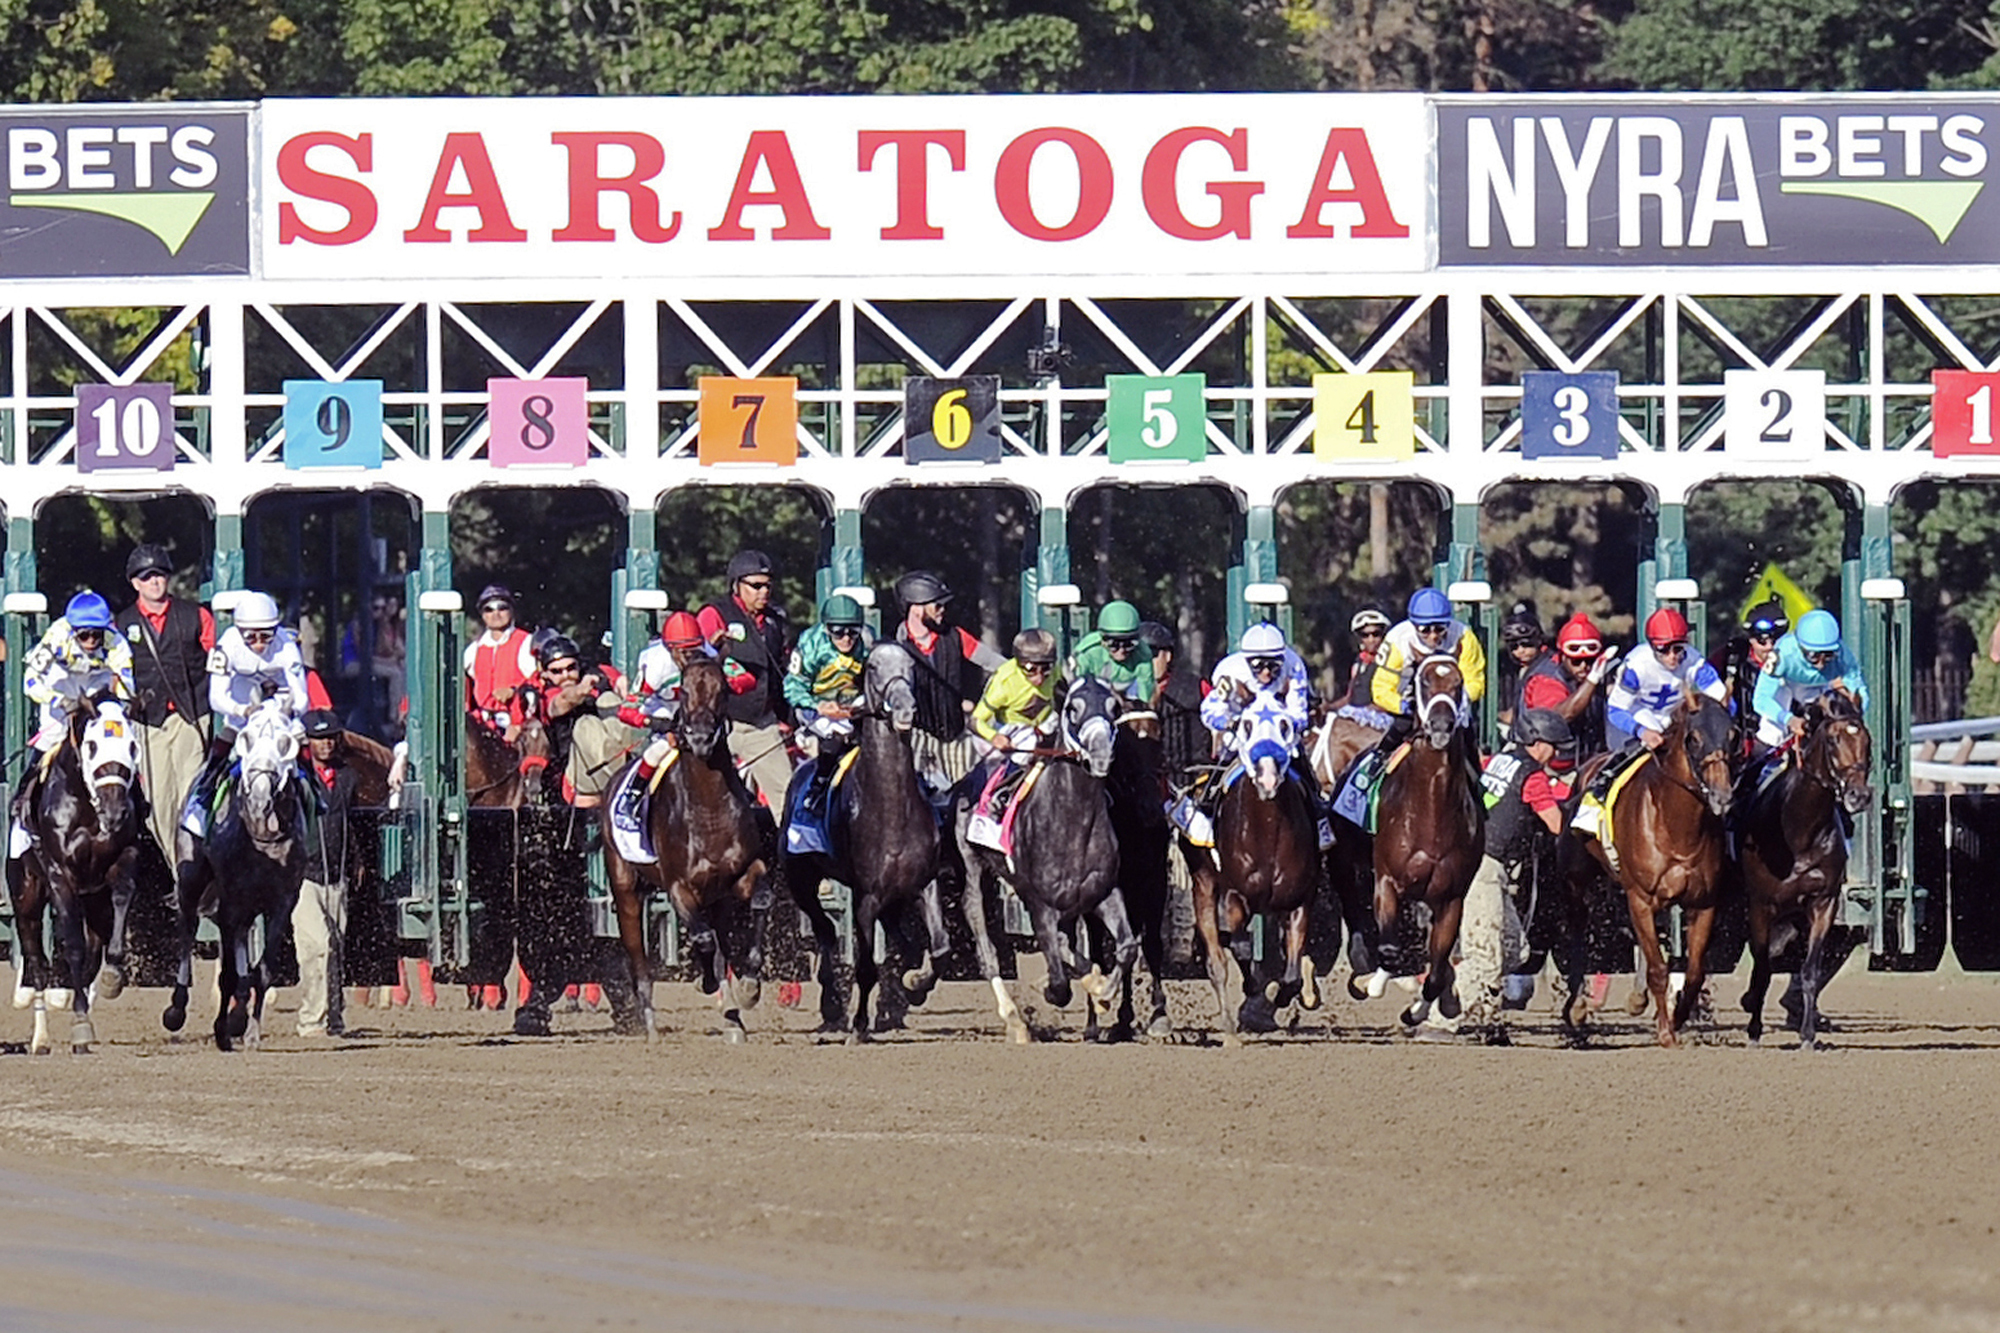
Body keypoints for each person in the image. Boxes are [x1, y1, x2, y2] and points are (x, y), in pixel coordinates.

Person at [1458, 708, 1578, 1032]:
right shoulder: (1533, 776)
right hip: (1486, 867)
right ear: (1537, 742)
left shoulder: (1501, 759)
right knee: (1487, 956)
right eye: (1553, 746)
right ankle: (1448, 1017)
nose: (1555, 754)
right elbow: (1556, 825)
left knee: (1516, 948)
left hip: (1483, 863)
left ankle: (1457, 994)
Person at [12, 591, 137, 855]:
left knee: (115, 739)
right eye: (84, 635)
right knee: (52, 738)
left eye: (97, 634)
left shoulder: (116, 642)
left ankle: (138, 803)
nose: (92, 641)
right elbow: (31, 682)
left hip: (96, 686)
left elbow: (126, 686)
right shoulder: (56, 638)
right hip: (61, 685)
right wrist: (63, 702)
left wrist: (123, 706)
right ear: (72, 631)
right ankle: (23, 801)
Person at [183, 591, 312, 842]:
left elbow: (303, 698)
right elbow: (217, 697)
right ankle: (201, 801)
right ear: (239, 631)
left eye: (266, 635)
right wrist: (242, 711)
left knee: (301, 743)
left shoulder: (286, 645)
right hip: (243, 708)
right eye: (251, 636)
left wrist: (283, 711)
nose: (259, 643)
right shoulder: (227, 645)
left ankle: (315, 801)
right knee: (223, 746)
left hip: (280, 710)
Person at [115, 544, 215, 864]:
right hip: (148, 722)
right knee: (158, 806)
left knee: (191, 797)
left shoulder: (196, 615)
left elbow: (217, 659)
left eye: (159, 574)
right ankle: (181, 871)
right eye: (146, 576)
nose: (154, 582)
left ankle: (195, 872)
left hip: (190, 715)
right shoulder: (121, 624)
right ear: (135, 583)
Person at [698, 550, 794, 812]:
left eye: (768, 586)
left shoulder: (775, 620)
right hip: (720, 724)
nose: (764, 592)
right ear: (736, 585)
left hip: (761, 725)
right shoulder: (713, 613)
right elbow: (696, 667)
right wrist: (713, 649)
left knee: (787, 797)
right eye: (756, 586)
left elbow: (783, 670)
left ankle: (791, 851)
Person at [894, 570, 1005, 794]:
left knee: (973, 792)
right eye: (937, 606)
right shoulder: (894, 649)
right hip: (915, 738)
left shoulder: (955, 636)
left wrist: (1020, 672)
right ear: (916, 608)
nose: (943, 611)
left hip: (955, 735)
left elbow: (993, 662)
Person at [610, 611, 717, 836]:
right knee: (659, 750)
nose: (691, 658)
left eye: (694, 650)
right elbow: (626, 710)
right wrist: (654, 723)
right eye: (684, 653)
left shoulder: (707, 652)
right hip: (664, 713)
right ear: (670, 650)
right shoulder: (656, 665)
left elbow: (745, 679)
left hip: (697, 715)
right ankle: (632, 798)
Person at [782, 594, 871, 852]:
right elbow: (792, 687)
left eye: (852, 631)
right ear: (825, 628)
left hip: (853, 706)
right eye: (838, 632)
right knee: (834, 740)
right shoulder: (810, 645)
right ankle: (817, 791)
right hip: (814, 708)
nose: (846, 638)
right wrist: (819, 706)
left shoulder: (866, 643)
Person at [294, 709, 361, 1039]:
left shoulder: (348, 777)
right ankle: (311, 1021)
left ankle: (334, 1018)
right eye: (319, 738)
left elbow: (353, 822)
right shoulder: (296, 777)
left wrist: (357, 860)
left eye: (331, 737)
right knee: (317, 946)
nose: (326, 744)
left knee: (335, 948)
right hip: (303, 875)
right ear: (306, 741)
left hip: (338, 873)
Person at [964, 628, 1062, 847]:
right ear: (1019, 663)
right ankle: (1001, 796)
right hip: (1010, 732)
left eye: (1045, 668)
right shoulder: (1004, 681)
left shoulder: (1055, 673)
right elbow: (975, 720)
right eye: (1030, 669)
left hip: (1046, 726)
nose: (1038, 677)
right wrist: (995, 737)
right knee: (1026, 740)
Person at [1750, 608, 1869, 755]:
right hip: (1784, 685)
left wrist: (1852, 714)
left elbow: (1860, 693)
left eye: (1828, 655)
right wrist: (1789, 719)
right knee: (1773, 733)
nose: (1821, 664)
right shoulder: (1782, 655)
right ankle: (1754, 770)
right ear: (1800, 647)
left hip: (1819, 688)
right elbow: (1761, 699)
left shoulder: (1843, 656)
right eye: (1813, 656)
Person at [1370, 586, 1488, 730]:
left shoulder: (1464, 637)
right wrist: (1402, 705)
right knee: (1399, 730)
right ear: (1413, 625)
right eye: (1425, 630)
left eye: (1439, 628)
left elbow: (1474, 680)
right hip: (1408, 704)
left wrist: (1456, 701)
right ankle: (1380, 753)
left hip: (1452, 707)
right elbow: (1382, 688)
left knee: (1468, 734)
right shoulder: (1397, 640)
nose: (1433, 636)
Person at [535, 633, 631, 809]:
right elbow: (562, 702)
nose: (566, 675)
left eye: (571, 668)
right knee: (586, 723)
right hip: (575, 775)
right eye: (557, 671)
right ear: (546, 674)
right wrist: (581, 690)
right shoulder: (547, 695)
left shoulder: (598, 673)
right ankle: (621, 778)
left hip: (615, 757)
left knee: (608, 699)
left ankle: (627, 770)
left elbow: (621, 682)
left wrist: (623, 686)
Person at [1200, 622, 1312, 761]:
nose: (1266, 672)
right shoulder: (1229, 672)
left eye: (1274, 666)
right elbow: (1209, 712)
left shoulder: (1294, 666)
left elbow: (1299, 714)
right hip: (1241, 737)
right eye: (1258, 665)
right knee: (1221, 763)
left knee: (1305, 767)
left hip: (1281, 738)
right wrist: (1230, 723)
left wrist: (1285, 723)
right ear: (1247, 661)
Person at [1512, 612, 1618, 757]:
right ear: (1562, 656)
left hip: (1589, 759)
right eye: (1576, 661)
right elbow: (1559, 717)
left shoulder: (1601, 674)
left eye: (1589, 661)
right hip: (1550, 765)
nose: (1583, 667)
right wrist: (1592, 679)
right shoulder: (1545, 679)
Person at [463, 584, 536, 743]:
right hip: (481, 724)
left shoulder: (525, 642)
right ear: (482, 615)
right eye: (489, 609)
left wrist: (513, 691)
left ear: (511, 611)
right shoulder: (474, 649)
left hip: (518, 723)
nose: (496, 614)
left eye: (502, 608)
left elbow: (536, 681)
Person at [1714, 599, 1787, 734]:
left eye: (1776, 639)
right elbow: (1702, 677)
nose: (1770, 646)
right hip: (1741, 738)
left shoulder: (1793, 658)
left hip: (1785, 739)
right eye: (1762, 641)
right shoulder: (1732, 656)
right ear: (1751, 639)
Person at [1069, 600, 1155, 704]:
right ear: (1103, 641)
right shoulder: (1089, 653)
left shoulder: (1143, 655)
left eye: (1129, 644)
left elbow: (1145, 697)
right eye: (1113, 644)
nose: (1121, 651)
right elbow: (1076, 687)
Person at [1334, 606, 1394, 726]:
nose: (1371, 639)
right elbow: (1349, 697)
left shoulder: (1390, 663)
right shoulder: (1359, 662)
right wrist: (1328, 707)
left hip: (1379, 719)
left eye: (1376, 634)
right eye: (1365, 635)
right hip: (1354, 716)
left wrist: (1368, 710)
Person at [1495, 604, 1546, 730]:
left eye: (1527, 644)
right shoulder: (1521, 670)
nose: (1521, 651)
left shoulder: (1546, 671)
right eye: (1514, 647)